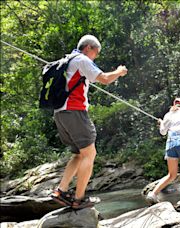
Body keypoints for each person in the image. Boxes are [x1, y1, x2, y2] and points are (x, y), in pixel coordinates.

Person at [50, 35, 128, 209]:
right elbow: (105, 79)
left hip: (60, 113)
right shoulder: (82, 59)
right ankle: (79, 199)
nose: (96, 57)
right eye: (96, 53)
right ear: (88, 48)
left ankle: (61, 190)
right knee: (90, 154)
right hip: (74, 111)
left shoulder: (68, 59)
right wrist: (119, 72)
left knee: (79, 154)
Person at [146, 98, 180, 209]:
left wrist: (161, 124)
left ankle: (153, 194)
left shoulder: (168, 114)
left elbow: (163, 132)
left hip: (171, 142)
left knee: (172, 175)